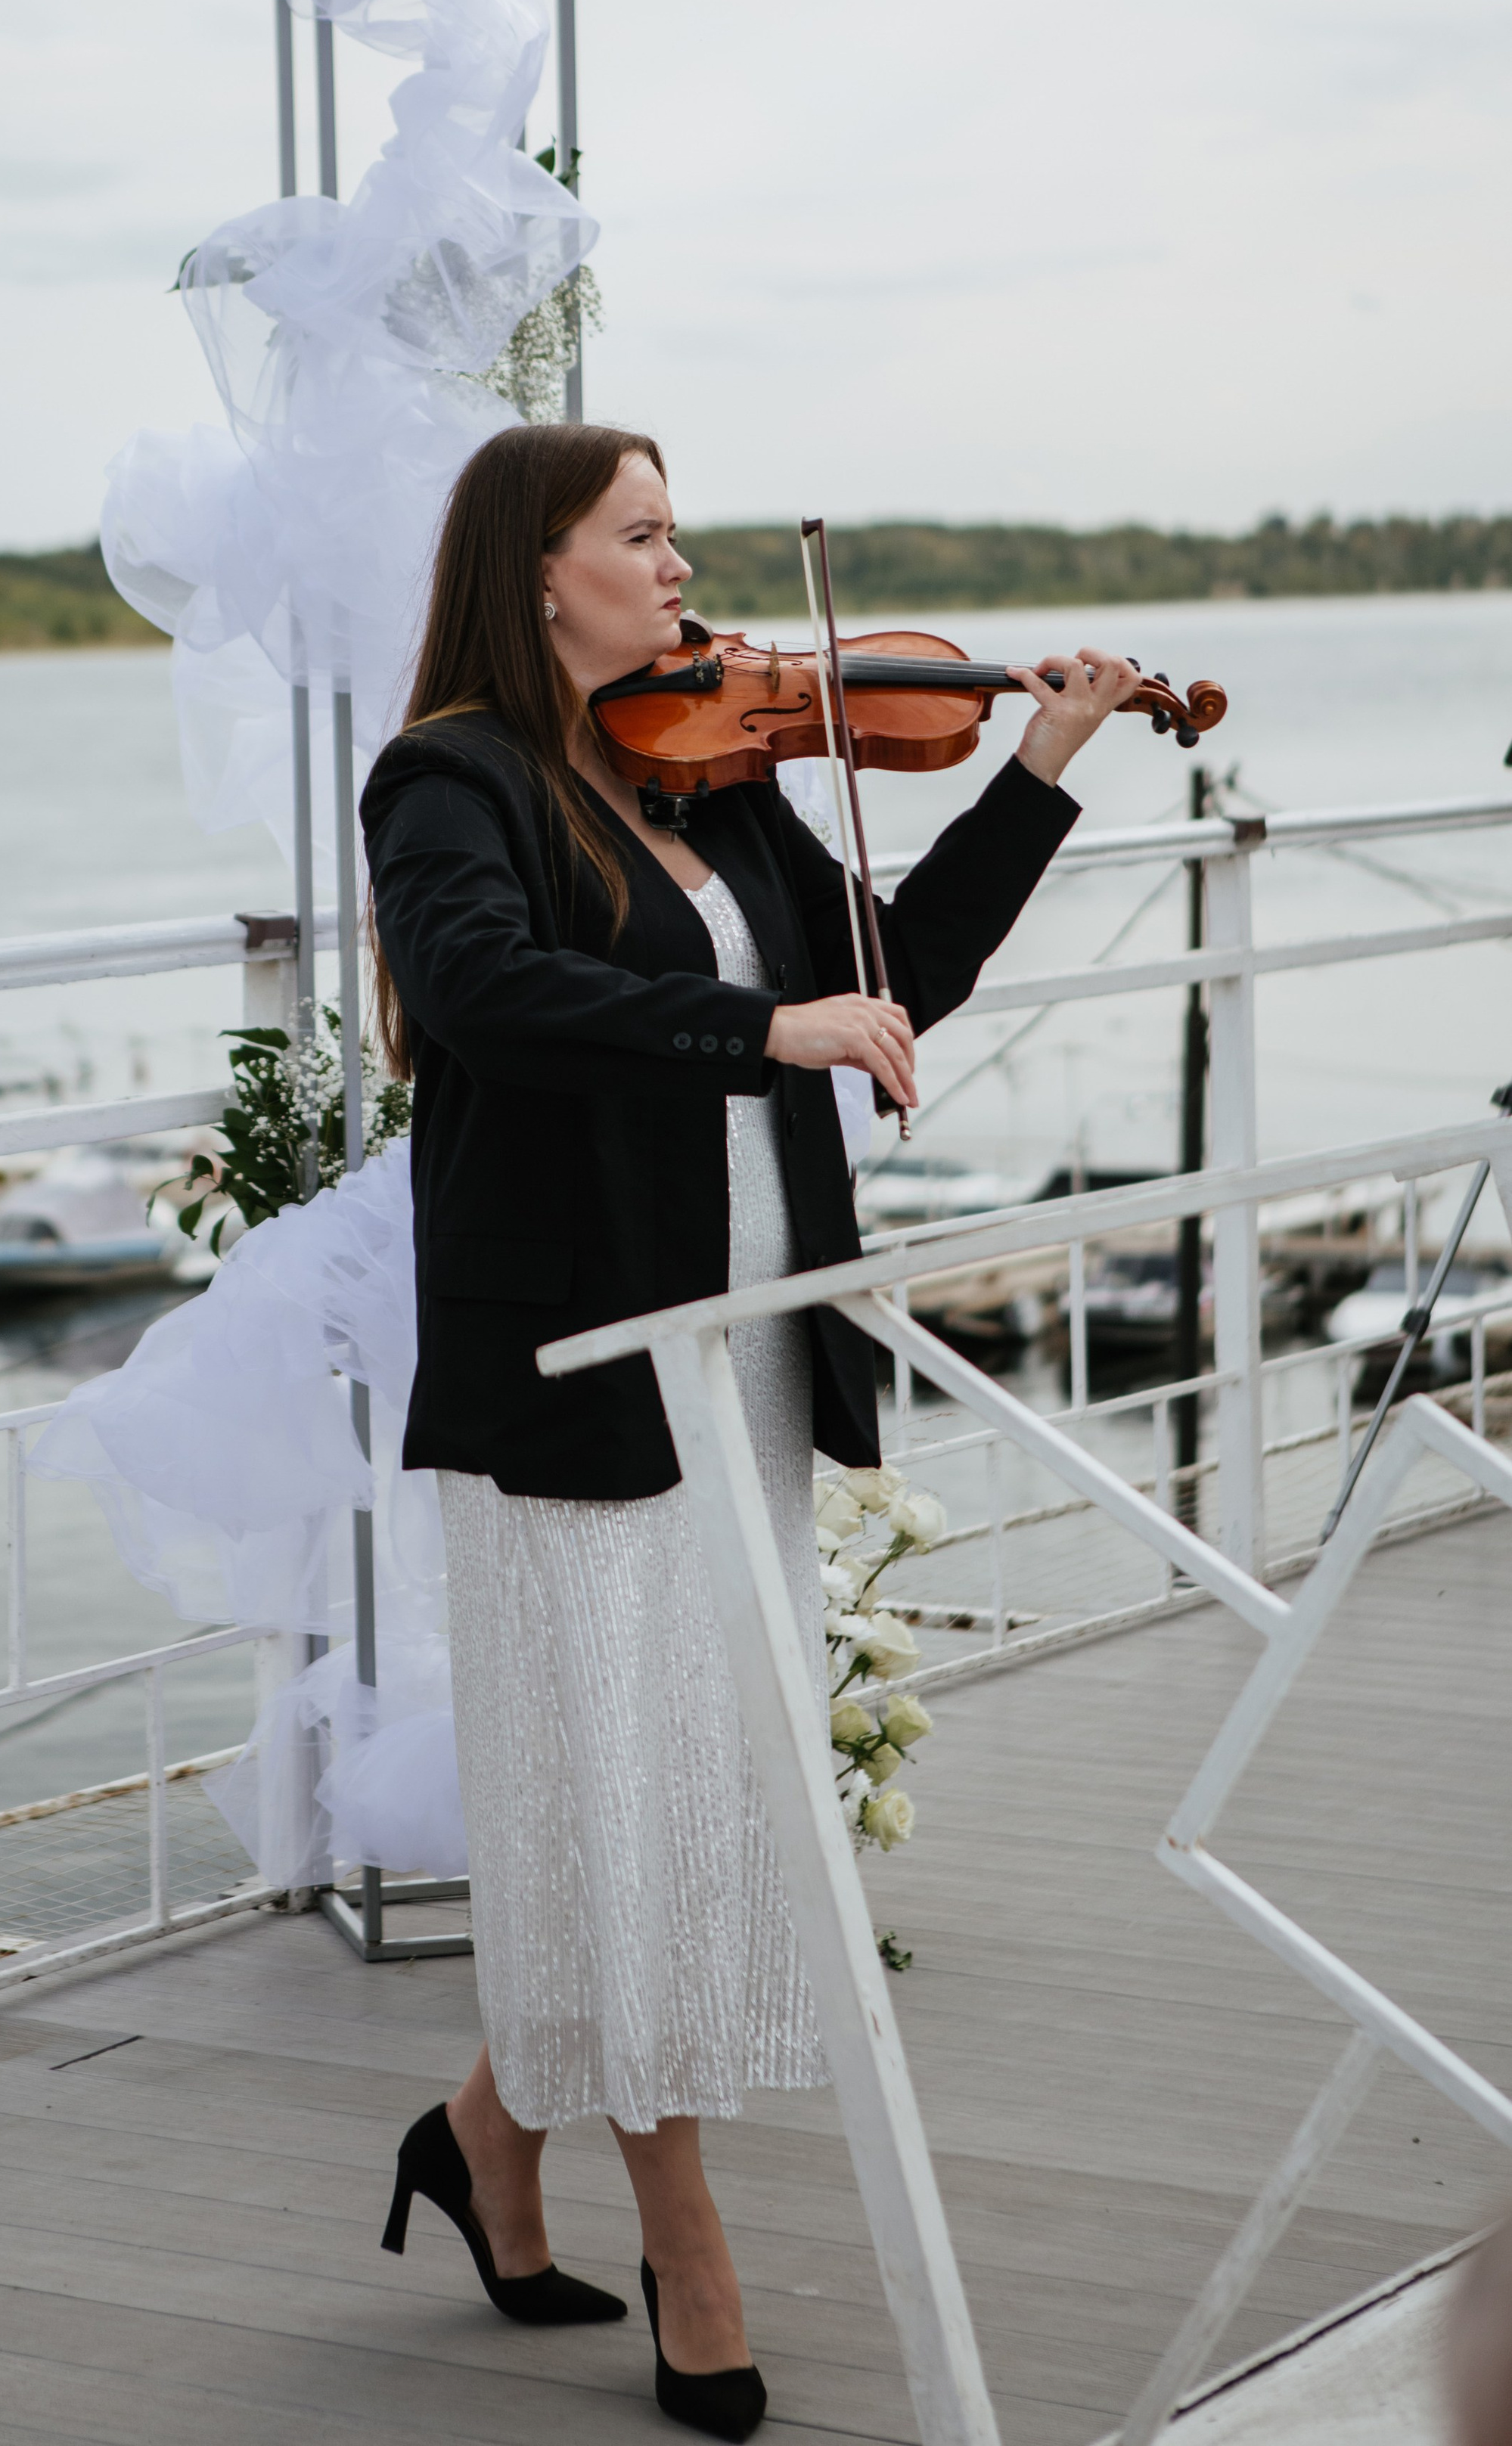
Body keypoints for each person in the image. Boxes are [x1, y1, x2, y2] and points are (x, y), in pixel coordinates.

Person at [361, 421, 1140, 2438]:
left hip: (759, 1361)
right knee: (624, 1817)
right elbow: (486, 987)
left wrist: (1037, 770)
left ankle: (481, 2134)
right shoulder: (455, 778)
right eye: (642, 534)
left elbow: (895, 982)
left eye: (679, 534)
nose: (684, 569)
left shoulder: (717, 772)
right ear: (541, 572)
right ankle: (686, 2253)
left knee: (701, 1795)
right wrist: (752, 1029)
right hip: (598, 1372)